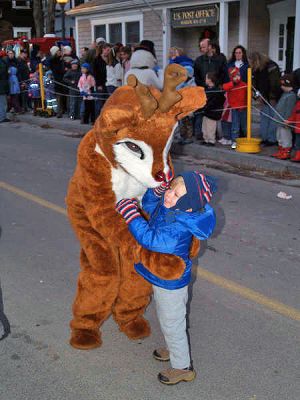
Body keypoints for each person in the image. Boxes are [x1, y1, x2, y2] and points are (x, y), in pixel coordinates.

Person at [116, 171, 216, 385]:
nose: (169, 195)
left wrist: (131, 215)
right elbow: (152, 205)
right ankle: (173, 348)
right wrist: (158, 190)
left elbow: (151, 239)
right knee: (167, 318)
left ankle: (183, 368)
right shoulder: (172, 208)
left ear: (188, 205)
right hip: (161, 275)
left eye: (176, 194)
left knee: (173, 322)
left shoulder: (179, 226)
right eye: (171, 188)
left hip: (171, 282)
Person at [193, 38, 229, 139]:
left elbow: (224, 73)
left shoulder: (220, 59)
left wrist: (219, 86)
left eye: (203, 47)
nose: (201, 49)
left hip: (217, 91)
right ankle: (200, 134)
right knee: (201, 112)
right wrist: (203, 86)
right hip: (204, 90)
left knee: (215, 113)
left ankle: (215, 134)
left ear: (210, 46)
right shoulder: (199, 60)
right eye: (200, 47)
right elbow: (196, 76)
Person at [249, 51, 281, 146]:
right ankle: (264, 137)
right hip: (263, 96)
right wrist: (257, 96)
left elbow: (275, 84)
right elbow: (253, 84)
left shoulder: (271, 67)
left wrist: (272, 97)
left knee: (272, 118)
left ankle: (271, 139)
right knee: (264, 118)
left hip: (272, 97)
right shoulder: (256, 69)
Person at [271, 74, 296, 160]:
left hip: (285, 121)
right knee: (279, 136)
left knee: (286, 137)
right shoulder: (284, 94)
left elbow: (290, 110)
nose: (281, 87)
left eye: (283, 85)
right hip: (279, 121)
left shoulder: (292, 96)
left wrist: (288, 120)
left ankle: (286, 152)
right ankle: (281, 150)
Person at [223, 67, 247, 149]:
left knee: (244, 125)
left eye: (238, 75)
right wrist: (232, 82)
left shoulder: (244, 84)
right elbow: (224, 87)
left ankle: (245, 138)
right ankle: (234, 141)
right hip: (235, 108)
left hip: (243, 108)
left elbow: (249, 94)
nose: (237, 77)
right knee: (235, 126)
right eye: (234, 76)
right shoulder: (230, 85)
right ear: (231, 77)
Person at [202, 72, 225, 146]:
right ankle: (206, 139)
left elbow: (215, 102)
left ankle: (211, 140)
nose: (205, 79)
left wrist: (207, 107)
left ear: (210, 80)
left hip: (212, 112)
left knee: (210, 127)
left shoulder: (216, 90)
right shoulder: (207, 89)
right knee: (204, 127)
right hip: (206, 111)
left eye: (206, 78)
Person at [93, 43, 110, 117]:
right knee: (100, 102)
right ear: (103, 49)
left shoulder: (110, 59)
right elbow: (95, 73)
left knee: (107, 102)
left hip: (109, 82)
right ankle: (97, 118)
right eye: (107, 50)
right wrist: (99, 84)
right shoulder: (97, 59)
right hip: (100, 83)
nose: (109, 52)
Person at [49, 46, 66, 118]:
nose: (60, 52)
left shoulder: (60, 59)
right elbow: (58, 69)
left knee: (63, 96)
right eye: (58, 51)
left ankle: (63, 110)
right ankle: (59, 112)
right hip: (58, 80)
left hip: (63, 80)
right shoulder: (53, 61)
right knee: (59, 97)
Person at [285, 89, 300, 162]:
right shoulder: (297, 104)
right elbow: (294, 114)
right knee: (297, 143)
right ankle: (298, 156)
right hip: (298, 128)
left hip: (298, 127)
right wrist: (289, 121)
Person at [0, 50, 10, 123]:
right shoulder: (3, 64)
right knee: (3, 103)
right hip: (2, 87)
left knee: (2, 102)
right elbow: (4, 75)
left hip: (2, 86)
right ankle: (2, 118)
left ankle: (2, 117)